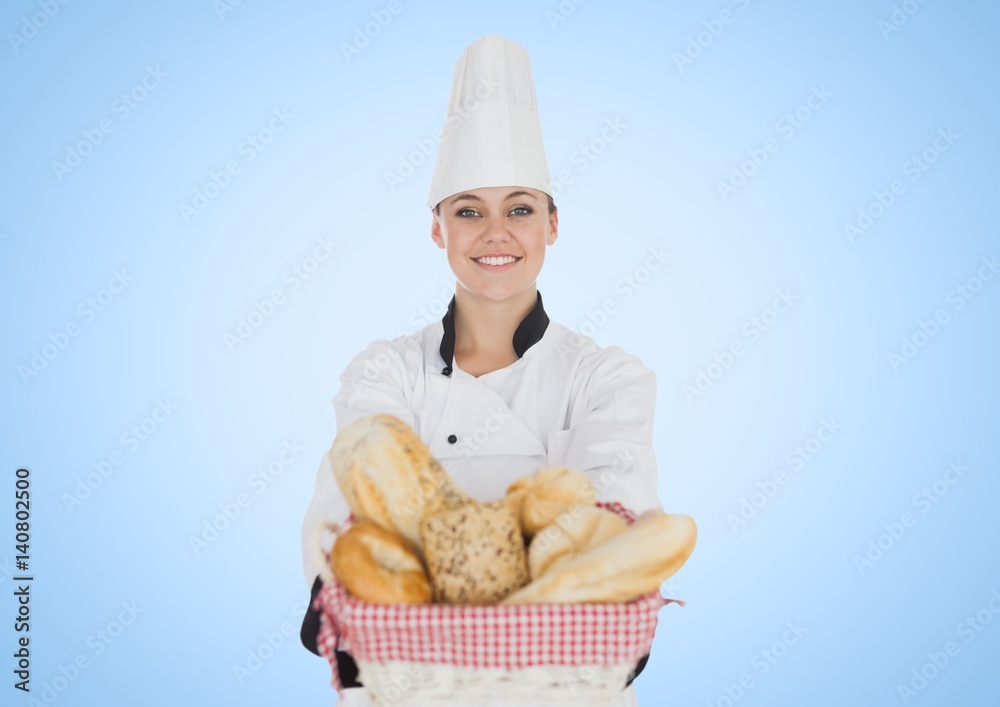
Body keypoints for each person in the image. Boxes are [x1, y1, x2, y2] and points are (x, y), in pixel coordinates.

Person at [300, 35, 664, 707]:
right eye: (468, 210)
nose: (495, 233)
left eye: (520, 208)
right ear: (437, 228)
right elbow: (344, 511)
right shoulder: (384, 373)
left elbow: (620, 510)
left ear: (552, 225)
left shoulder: (607, 379)